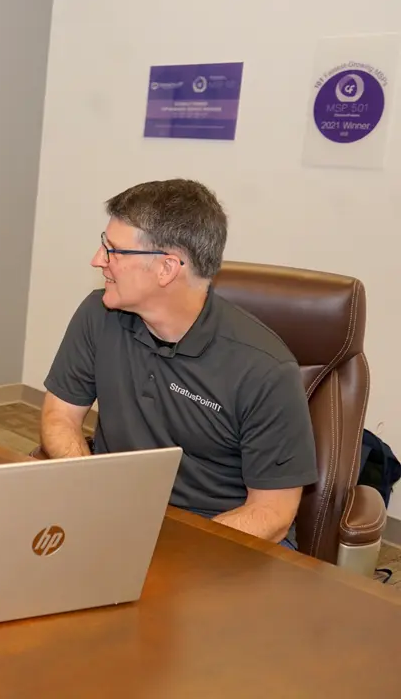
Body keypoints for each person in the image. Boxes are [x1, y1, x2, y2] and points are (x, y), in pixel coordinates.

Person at [39, 178, 317, 547]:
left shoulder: (264, 369)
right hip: (120, 517)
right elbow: (59, 417)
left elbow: (273, 514)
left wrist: (173, 550)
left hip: (222, 539)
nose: (97, 260)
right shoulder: (99, 314)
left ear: (167, 268)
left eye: (113, 251)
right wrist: (92, 488)